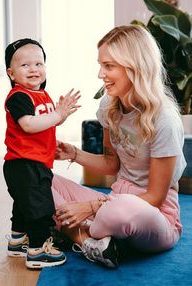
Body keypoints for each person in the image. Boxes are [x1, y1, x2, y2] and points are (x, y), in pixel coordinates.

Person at [52, 24, 186, 268]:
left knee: (121, 210)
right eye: (101, 64)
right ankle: (90, 241)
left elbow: (155, 197)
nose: (100, 74)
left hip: (153, 215)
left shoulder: (164, 119)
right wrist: (73, 153)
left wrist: (91, 207)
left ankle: (76, 229)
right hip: (114, 202)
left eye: (109, 66)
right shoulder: (109, 105)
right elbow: (112, 164)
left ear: (135, 67)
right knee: (38, 179)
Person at [3, 38, 81, 269]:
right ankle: (38, 250)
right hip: (24, 164)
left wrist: (60, 118)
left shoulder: (43, 96)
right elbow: (28, 125)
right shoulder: (19, 97)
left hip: (32, 162)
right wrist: (58, 114)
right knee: (40, 207)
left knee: (23, 204)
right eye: (25, 65)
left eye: (38, 63)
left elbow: (44, 126)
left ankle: (18, 241)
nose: (34, 69)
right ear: (12, 73)